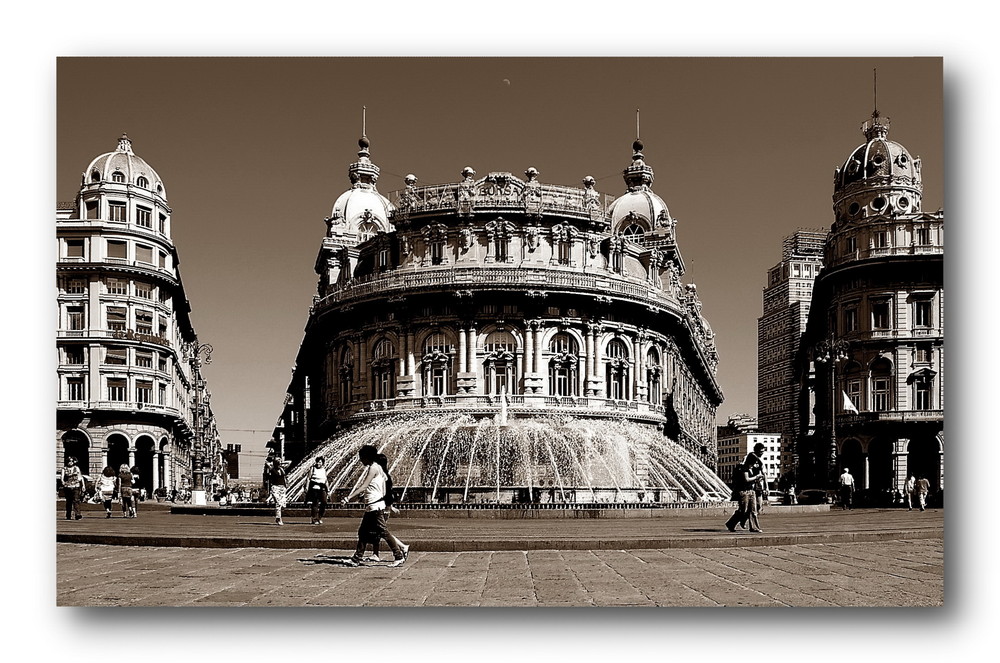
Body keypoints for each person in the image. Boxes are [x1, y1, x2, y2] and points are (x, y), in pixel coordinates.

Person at [342, 445, 405, 567]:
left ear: (367, 457)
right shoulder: (379, 468)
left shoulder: (373, 468)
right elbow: (382, 484)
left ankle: (399, 556)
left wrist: (348, 498)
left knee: (383, 532)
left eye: (361, 457)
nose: (361, 460)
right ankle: (356, 558)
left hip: (375, 507)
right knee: (363, 532)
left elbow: (364, 486)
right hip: (373, 506)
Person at [363, 454, 409, 562]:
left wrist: (389, 506)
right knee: (377, 531)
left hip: (381, 508)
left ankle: (401, 547)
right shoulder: (383, 475)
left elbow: (387, 494)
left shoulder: (384, 477)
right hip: (381, 506)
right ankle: (375, 554)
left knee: (381, 531)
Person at [725, 442, 765, 533]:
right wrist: (756, 477)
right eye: (754, 461)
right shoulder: (744, 468)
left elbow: (754, 478)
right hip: (743, 491)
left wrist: (758, 479)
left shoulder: (753, 469)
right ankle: (731, 523)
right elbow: (746, 479)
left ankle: (754, 527)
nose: (756, 462)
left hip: (751, 491)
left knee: (753, 511)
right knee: (743, 510)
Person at [306, 456, 330, 525]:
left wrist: (328, 489)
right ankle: (314, 519)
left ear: (322, 463)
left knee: (324, 502)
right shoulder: (313, 469)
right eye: (317, 462)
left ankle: (319, 517)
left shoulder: (323, 470)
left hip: (322, 487)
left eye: (320, 462)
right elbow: (308, 478)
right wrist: (307, 487)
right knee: (315, 503)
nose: (318, 463)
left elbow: (326, 480)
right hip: (315, 487)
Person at [266, 456, 288, 525]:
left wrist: (282, 462)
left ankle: (278, 517)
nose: (279, 463)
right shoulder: (272, 469)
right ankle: (279, 518)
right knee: (278, 503)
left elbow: (289, 462)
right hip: (275, 487)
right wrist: (274, 462)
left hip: (282, 488)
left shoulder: (282, 469)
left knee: (283, 505)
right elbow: (267, 463)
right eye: (278, 462)